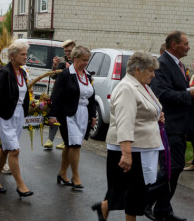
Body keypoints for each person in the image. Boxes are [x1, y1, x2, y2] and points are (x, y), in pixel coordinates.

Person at [91, 51, 164, 221]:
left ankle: (103, 207)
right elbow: (125, 122)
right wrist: (126, 153)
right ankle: (105, 208)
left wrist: (157, 115)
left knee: (128, 190)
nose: (154, 74)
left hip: (143, 147)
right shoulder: (127, 88)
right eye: (151, 70)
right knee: (132, 194)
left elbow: (146, 109)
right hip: (132, 148)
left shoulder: (141, 85)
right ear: (138, 69)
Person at [145, 31, 193, 221]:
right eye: (186, 44)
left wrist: (187, 92)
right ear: (174, 45)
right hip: (170, 125)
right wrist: (189, 94)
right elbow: (162, 95)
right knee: (172, 167)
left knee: (176, 167)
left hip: (181, 125)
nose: (189, 47)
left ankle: (163, 209)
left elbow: (178, 89)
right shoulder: (163, 64)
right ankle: (145, 198)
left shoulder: (178, 64)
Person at [0, 40, 32, 197]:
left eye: (26, 54)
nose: (25, 57)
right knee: (14, 150)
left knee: (4, 149)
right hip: (6, 115)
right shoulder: (5, 73)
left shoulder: (22, 73)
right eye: (22, 54)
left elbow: (23, 95)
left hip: (18, 115)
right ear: (12, 56)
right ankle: (20, 185)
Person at [48, 46, 96, 190]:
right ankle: (75, 176)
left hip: (83, 114)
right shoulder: (66, 74)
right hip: (68, 114)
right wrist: (52, 115)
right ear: (75, 59)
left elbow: (92, 97)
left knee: (70, 145)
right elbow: (56, 96)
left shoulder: (87, 75)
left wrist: (93, 115)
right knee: (75, 144)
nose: (85, 63)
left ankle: (62, 173)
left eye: (87, 60)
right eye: (83, 60)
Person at [45, 39, 76, 150]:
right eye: (65, 51)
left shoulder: (77, 61)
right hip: (58, 92)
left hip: (69, 94)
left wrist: (70, 70)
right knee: (54, 114)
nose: (67, 53)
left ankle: (64, 140)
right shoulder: (61, 60)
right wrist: (54, 65)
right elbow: (53, 76)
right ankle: (50, 139)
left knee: (66, 117)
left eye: (69, 51)